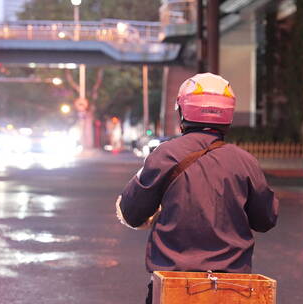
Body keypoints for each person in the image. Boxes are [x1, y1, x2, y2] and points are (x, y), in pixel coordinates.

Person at [115, 73, 279, 304]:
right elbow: (266, 220)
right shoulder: (245, 162)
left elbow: (131, 214)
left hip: (173, 285)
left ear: (183, 111)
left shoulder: (165, 154)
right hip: (233, 289)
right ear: (228, 114)